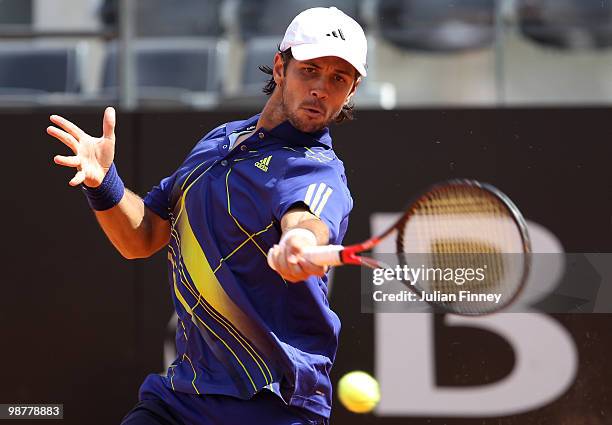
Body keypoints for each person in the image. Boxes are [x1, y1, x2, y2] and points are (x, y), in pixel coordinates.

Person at [47, 6, 366, 425]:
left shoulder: (316, 170)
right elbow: (141, 237)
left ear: (351, 91)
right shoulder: (220, 142)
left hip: (272, 405)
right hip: (181, 397)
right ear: (280, 66)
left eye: (338, 79)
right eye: (311, 70)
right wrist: (104, 182)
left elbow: (306, 221)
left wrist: (299, 244)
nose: (321, 89)